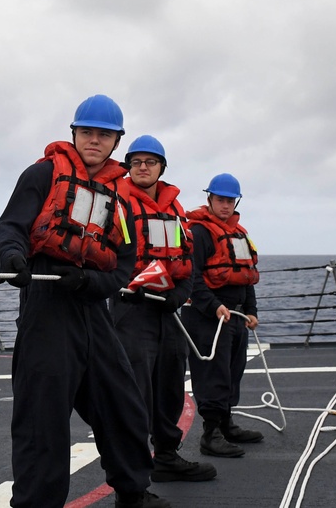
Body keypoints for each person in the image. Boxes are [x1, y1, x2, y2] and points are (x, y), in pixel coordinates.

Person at [0, 95, 172, 508]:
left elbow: (122, 267)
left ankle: (133, 493)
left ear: (115, 142)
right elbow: (11, 228)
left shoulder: (119, 197)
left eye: (104, 135)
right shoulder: (41, 175)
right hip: (46, 312)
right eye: (87, 132)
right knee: (43, 422)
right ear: (73, 134)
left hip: (94, 313)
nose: (94, 140)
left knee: (124, 407)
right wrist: (11, 259)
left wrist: (87, 281)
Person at [110, 135, 216, 483]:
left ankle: (167, 456)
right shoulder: (115, 202)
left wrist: (183, 290)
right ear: (128, 166)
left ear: (161, 168)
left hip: (169, 309)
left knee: (170, 381)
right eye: (136, 162)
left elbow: (185, 257)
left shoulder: (175, 209)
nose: (143, 167)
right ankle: (134, 471)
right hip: (130, 308)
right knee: (135, 387)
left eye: (150, 162)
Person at [181, 172, 264, 459]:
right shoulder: (200, 233)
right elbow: (192, 276)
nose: (226, 205)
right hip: (208, 317)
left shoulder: (240, 234)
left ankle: (226, 423)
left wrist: (251, 311)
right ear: (210, 200)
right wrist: (213, 305)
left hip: (236, 317)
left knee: (232, 372)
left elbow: (246, 277)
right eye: (220, 200)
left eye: (230, 200)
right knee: (212, 374)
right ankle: (210, 433)